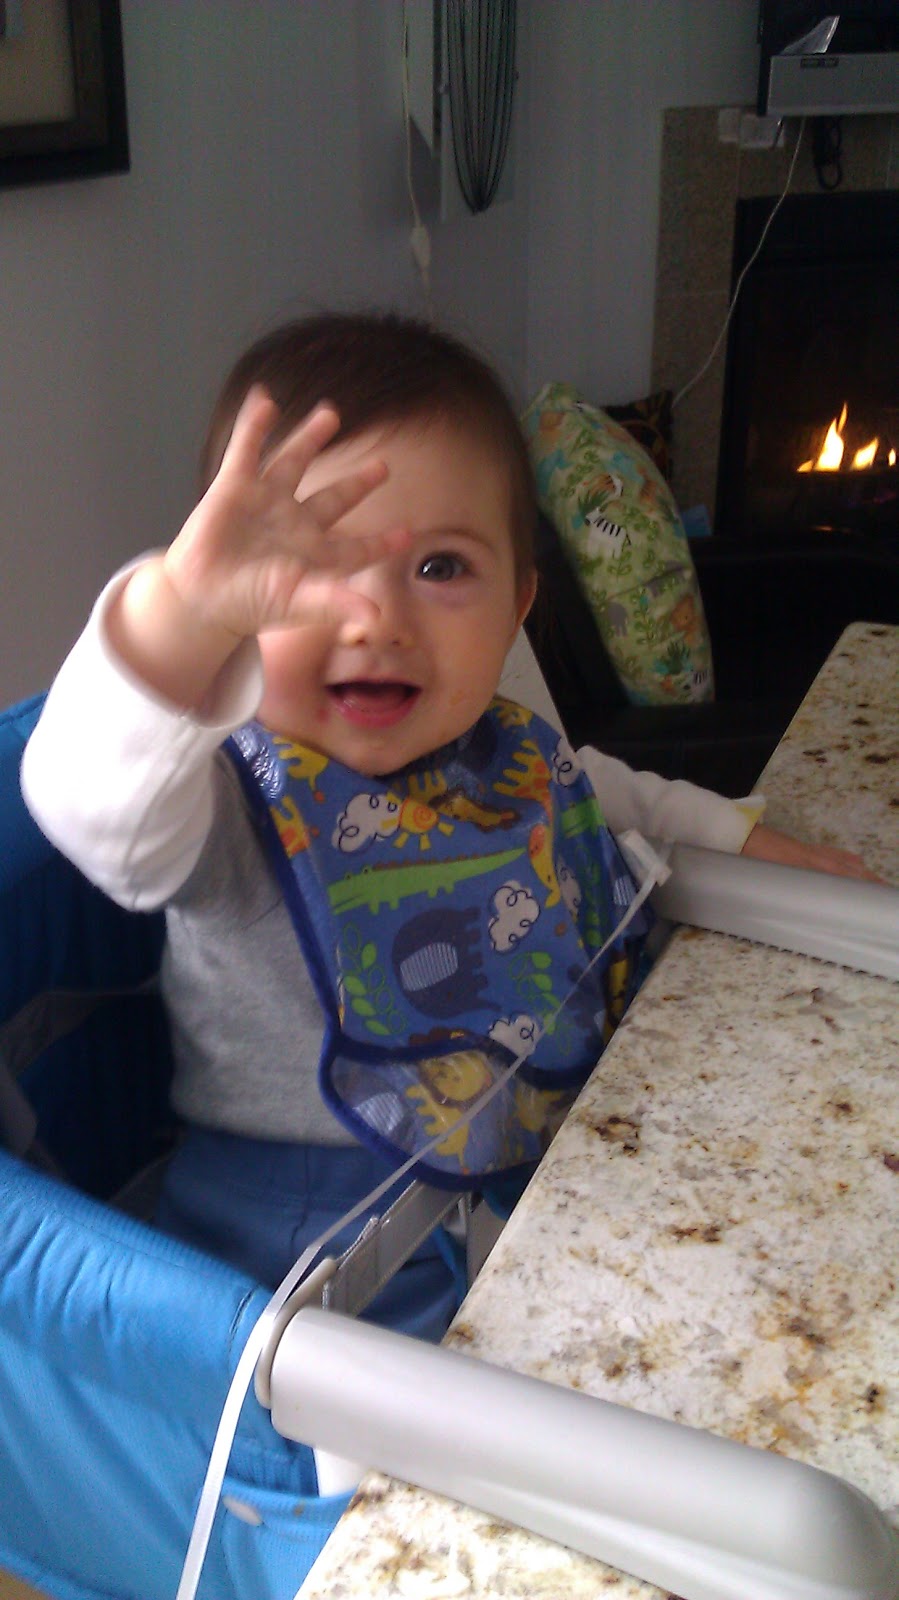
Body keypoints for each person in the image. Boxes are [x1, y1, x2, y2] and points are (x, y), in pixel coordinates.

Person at [21, 312, 876, 1339]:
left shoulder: (496, 750)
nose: (375, 616)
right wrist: (177, 615)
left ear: (517, 606)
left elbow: (601, 791)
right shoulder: (224, 803)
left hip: (522, 1184)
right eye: (310, 567)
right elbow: (88, 806)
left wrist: (749, 844)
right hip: (301, 1263)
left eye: (440, 568)